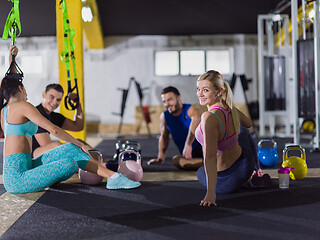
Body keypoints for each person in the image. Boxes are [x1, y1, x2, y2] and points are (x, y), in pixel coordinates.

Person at [1, 45, 141, 193]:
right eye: (25, 89)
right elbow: (54, 130)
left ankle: (113, 177)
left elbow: (10, 81)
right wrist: (79, 144)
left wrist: (13, 59)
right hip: (18, 179)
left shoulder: (4, 111)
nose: (27, 94)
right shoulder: (23, 106)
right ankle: (112, 177)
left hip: (28, 167)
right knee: (69, 164)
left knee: (69, 150)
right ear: (21, 88)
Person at [195, 70, 257, 207]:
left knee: (200, 172)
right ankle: (257, 171)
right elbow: (249, 124)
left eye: (205, 90)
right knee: (243, 132)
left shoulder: (208, 117)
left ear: (219, 91)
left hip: (226, 183)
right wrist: (231, 110)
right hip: (245, 167)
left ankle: (255, 173)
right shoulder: (229, 108)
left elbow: (210, 157)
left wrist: (210, 194)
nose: (200, 94)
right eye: (198, 89)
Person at [147, 86, 203, 170]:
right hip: (190, 156)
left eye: (169, 100)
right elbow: (164, 137)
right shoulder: (165, 116)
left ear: (179, 98)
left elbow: (197, 120)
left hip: (205, 149)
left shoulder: (191, 110)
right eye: (164, 101)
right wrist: (160, 159)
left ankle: (213, 160)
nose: (167, 104)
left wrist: (188, 144)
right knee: (177, 161)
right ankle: (211, 163)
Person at [31, 83, 84, 158]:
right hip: (32, 155)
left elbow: (78, 127)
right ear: (44, 95)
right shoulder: (37, 113)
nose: (55, 102)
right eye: (52, 97)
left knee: (80, 142)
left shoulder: (54, 116)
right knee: (57, 145)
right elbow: (50, 148)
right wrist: (78, 146)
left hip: (44, 152)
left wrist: (78, 105)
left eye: (58, 100)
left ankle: (102, 163)